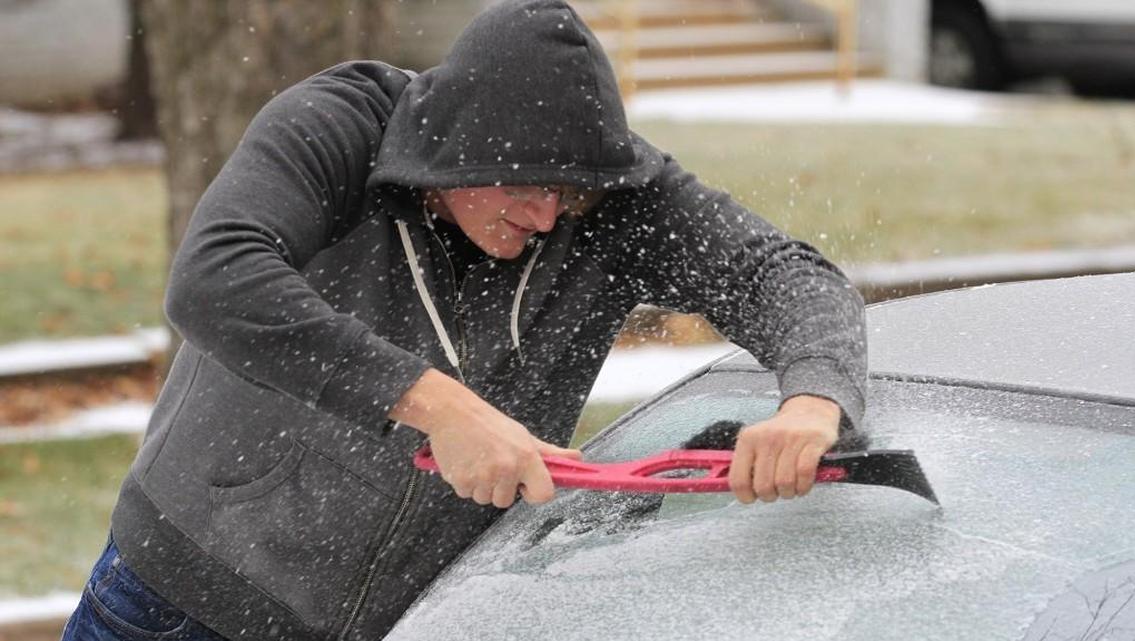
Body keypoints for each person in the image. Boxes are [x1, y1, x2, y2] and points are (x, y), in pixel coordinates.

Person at [61, 1, 867, 639]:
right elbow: (214, 278)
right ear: (455, 147)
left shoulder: (622, 195)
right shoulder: (340, 129)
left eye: (570, 192)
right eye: (526, 184)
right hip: (182, 601)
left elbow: (785, 274)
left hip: (411, 624)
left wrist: (812, 400)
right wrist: (440, 407)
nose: (549, 214)